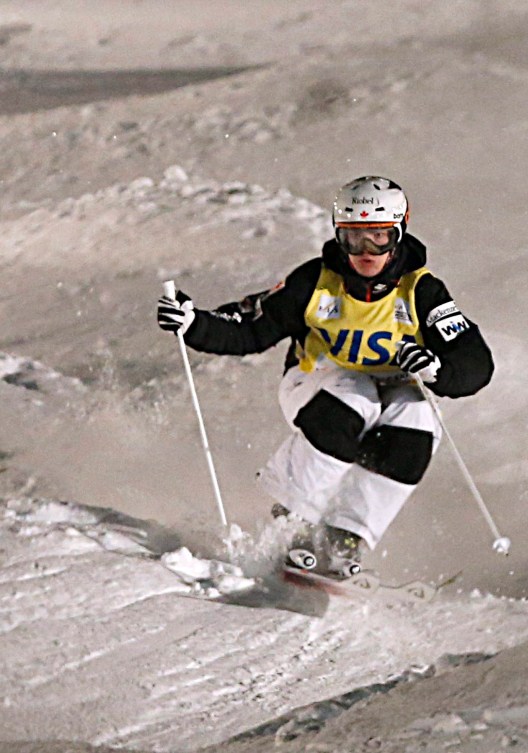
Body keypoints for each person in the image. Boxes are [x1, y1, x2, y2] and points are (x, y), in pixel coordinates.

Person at [157, 176, 494, 576]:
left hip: (391, 393)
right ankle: (294, 521)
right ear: (339, 236)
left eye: (379, 239)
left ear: (399, 234)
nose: (365, 253)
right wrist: (194, 323)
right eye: (353, 240)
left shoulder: (421, 292)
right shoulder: (316, 281)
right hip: (315, 383)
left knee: (418, 420)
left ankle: (346, 537)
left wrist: (440, 370)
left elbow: (474, 359)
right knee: (356, 394)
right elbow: (251, 327)